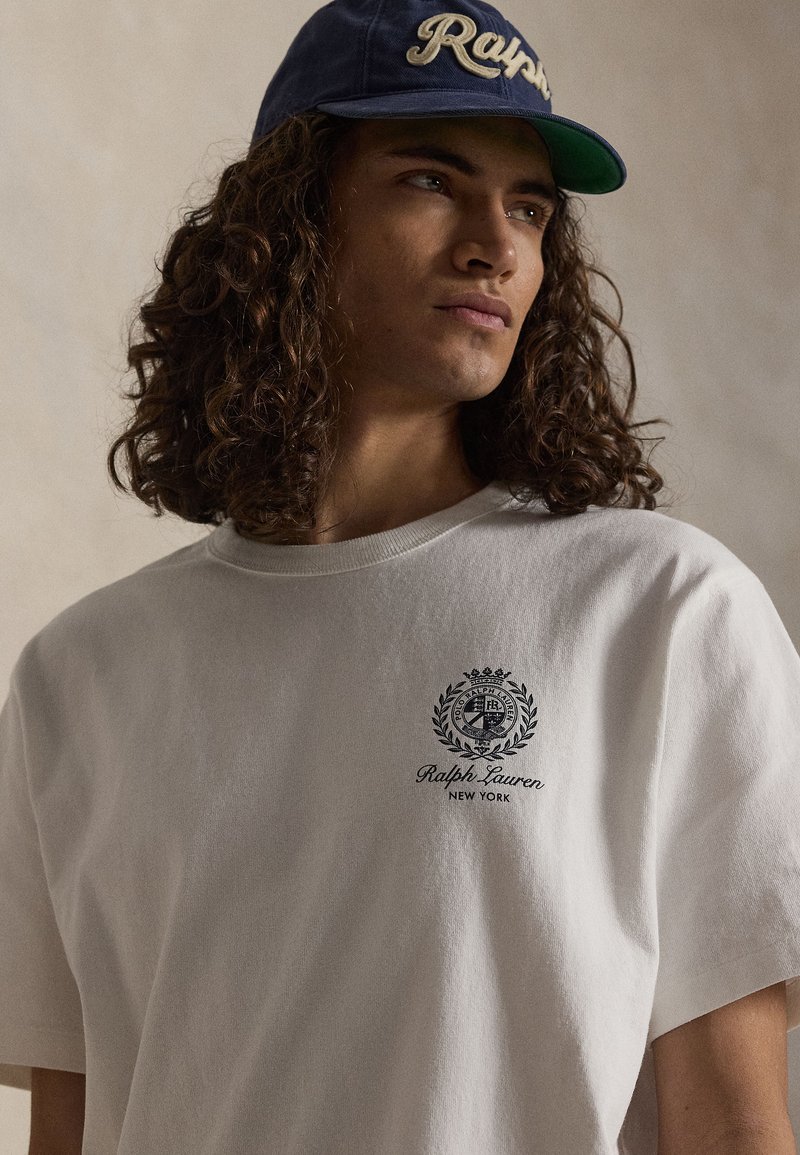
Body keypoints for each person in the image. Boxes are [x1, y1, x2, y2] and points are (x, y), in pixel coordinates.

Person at [2, 0, 799, 1151]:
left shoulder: (658, 612)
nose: (495, 245)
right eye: (431, 180)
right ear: (290, 221)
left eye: (528, 207)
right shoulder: (80, 676)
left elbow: (732, 1126)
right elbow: (71, 1132)